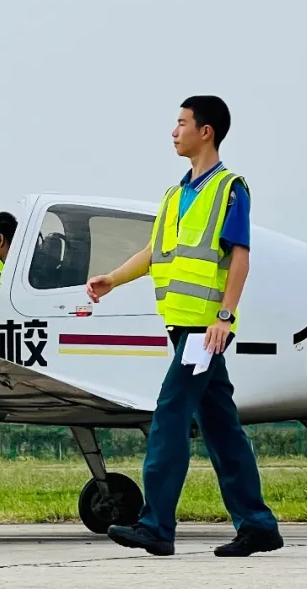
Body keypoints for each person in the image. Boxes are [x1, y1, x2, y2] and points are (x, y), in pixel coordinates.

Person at [86, 95, 282, 558]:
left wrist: (224, 317)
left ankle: (156, 525)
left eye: (181, 123)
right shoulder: (174, 195)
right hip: (181, 328)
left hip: (205, 332)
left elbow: (240, 257)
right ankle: (257, 525)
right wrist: (112, 279)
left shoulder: (230, 189)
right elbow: (155, 253)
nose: (174, 132)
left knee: (170, 415)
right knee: (221, 427)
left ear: (205, 131)